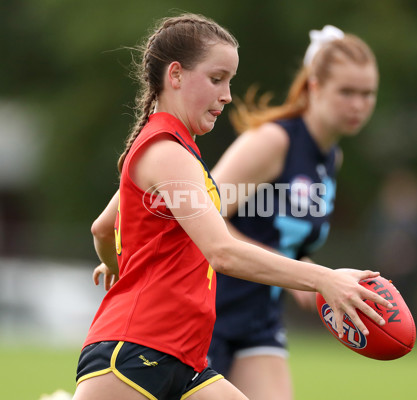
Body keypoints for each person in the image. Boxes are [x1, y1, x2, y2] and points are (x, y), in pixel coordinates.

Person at [75, 14, 391, 400]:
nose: (227, 95)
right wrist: (325, 279)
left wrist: (115, 262)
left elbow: (104, 229)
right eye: (216, 79)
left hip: (186, 357)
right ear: (175, 75)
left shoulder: (178, 153)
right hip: (136, 351)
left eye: (230, 82)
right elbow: (221, 252)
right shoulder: (168, 154)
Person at [206, 25, 380, 399]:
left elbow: (284, 235)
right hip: (206, 310)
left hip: (259, 318)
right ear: (314, 86)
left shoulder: (332, 156)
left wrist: (302, 267)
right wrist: (300, 274)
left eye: (367, 94)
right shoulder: (273, 141)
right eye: (346, 92)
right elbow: (200, 221)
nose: (358, 105)